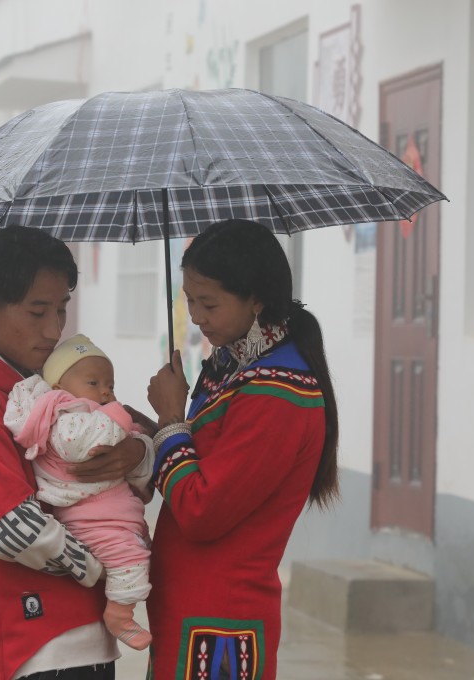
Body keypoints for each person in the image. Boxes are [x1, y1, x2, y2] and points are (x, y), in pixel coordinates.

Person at [0, 226, 152, 680]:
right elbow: (13, 530)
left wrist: (137, 452)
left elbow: (119, 439)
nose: (53, 329)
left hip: (76, 637)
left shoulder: (38, 384)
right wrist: (110, 566)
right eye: (37, 311)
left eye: (61, 309)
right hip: (34, 645)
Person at [144, 219, 340, 680]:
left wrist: (172, 422)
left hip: (218, 624)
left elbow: (201, 509)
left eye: (208, 303)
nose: (195, 316)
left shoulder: (278, 393)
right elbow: (194, 458)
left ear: (256, 299)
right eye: (189, 300)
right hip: (188, 610)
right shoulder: (232, 367)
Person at [4, 334, 154, 651]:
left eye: (110, 384)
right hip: (90, 520)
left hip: (114, 515)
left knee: (141, 557)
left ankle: (124, 605)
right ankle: (120, 615)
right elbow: (81, 446)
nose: (105, 391)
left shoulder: (91, 413)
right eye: (93, 382)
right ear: (59, 388)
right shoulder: (63, 416)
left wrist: (140, 445)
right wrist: (120, 418)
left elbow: (140, 462)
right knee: (131, 560)